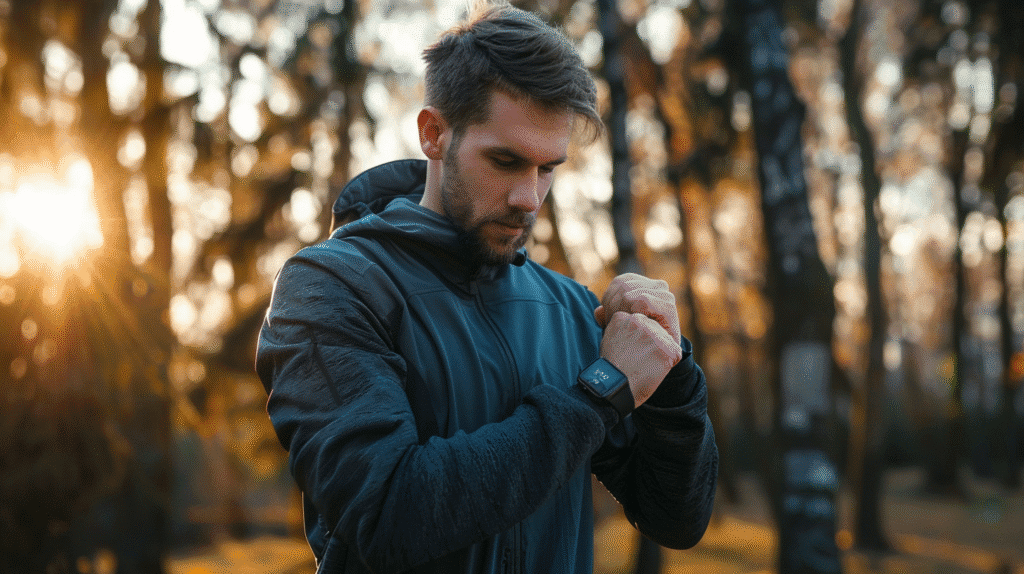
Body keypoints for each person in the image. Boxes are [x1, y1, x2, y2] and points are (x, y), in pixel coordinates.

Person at [256, 4, 718, 573]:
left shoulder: (570, 309)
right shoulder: (329, 287)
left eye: (548, 168)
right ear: (434, 133)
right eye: (506, 161)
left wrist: (670, 373)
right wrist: (599, 394)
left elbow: (676, 518)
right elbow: (387, 513)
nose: (530, 198)